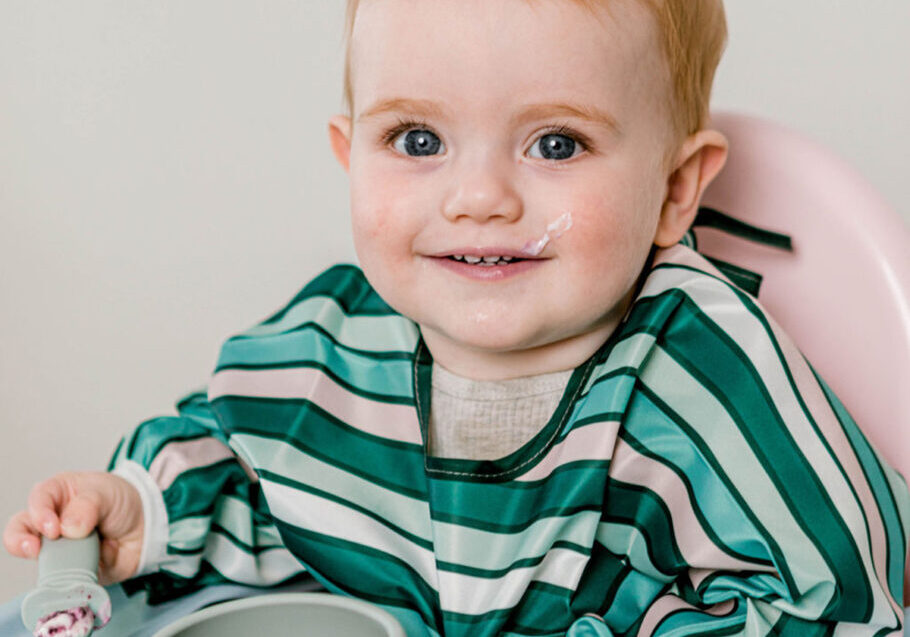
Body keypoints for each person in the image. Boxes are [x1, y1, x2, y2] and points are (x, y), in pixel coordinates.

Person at [5, 0, 909, 635]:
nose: (477, 197)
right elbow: (264, 482)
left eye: (556, 143)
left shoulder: (707, 376)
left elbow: (832, 600)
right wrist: (146, 511)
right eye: (417, 141)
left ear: (674, 191)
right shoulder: (336, 339)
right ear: (349, 154)